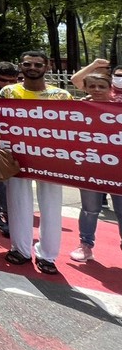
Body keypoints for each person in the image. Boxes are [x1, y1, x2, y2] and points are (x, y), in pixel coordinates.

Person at [0, 51, 73, 275]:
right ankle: (21, 249)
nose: (32, 67)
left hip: (50, 159)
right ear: (20, 67)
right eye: (27, 64)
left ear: (47, 67)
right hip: (16, 157)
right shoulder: (8, 92)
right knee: (18, 203)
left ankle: (47, 255)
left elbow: (72, 128)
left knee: (51, 207)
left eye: (37, 64)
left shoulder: (61, 95)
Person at [69, 70, 122, 262]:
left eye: (102, 86)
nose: (97, 90)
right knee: (90, 209)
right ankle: (85, 245)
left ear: (110, 88)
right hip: (90, 167)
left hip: (119, 170)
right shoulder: (79, 109)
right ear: (86, 89)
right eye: (92, 86)